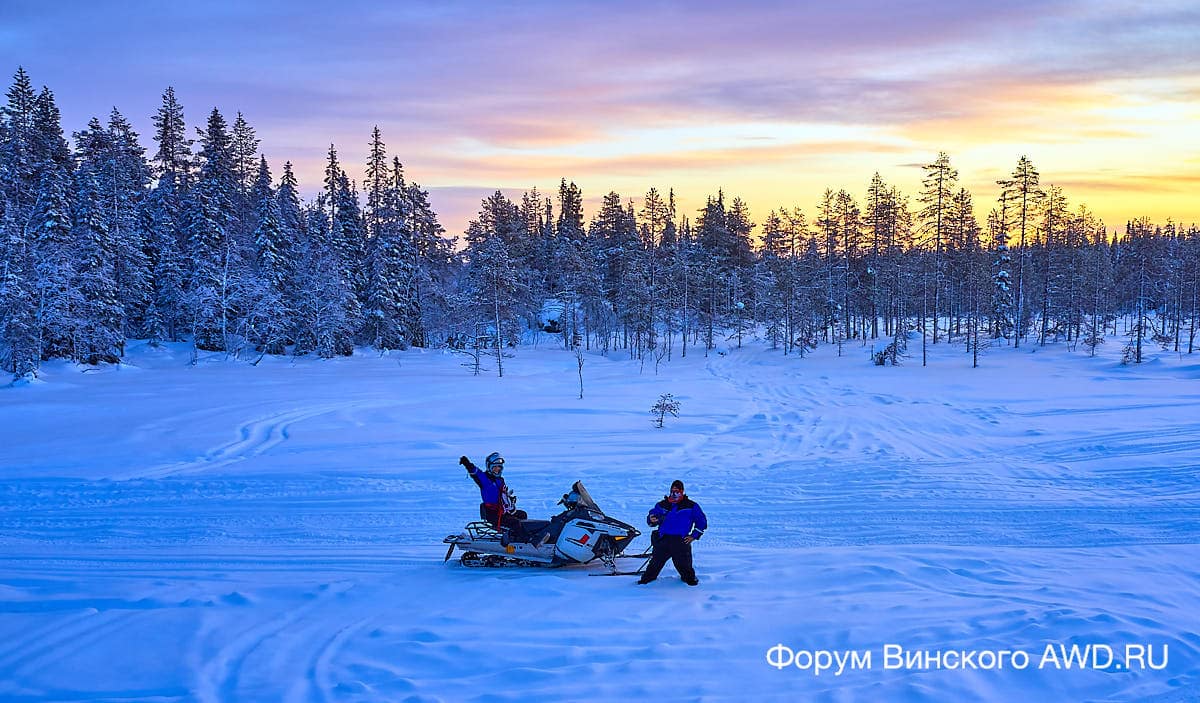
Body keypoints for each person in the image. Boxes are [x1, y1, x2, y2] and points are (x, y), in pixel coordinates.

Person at [638, 479, 707, 586]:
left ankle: (691, 587)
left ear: (682, 491)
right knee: (654, 565)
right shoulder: (662, 505)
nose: (674, 493)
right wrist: (651, 519)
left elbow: (701, 521)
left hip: (681, 541)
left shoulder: (691, 506)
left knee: (685, 569)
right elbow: (652, 516)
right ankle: (644, 583)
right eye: (672, 490)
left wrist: (694, 536)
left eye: (677, 491)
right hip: (663, 540)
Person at [460, 452, 527, 538]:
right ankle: (527, 540)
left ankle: (514, 535)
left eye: (499, 467)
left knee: (522, 515)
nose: (497, 469)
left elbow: (501, 496)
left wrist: (509, 500)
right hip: (493, 515)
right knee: (515, 522)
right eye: (494, 467)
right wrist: (467, 464)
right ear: (489, 467)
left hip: (502, 512)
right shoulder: (485, 479)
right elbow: (476, 472)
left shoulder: (500, 480)